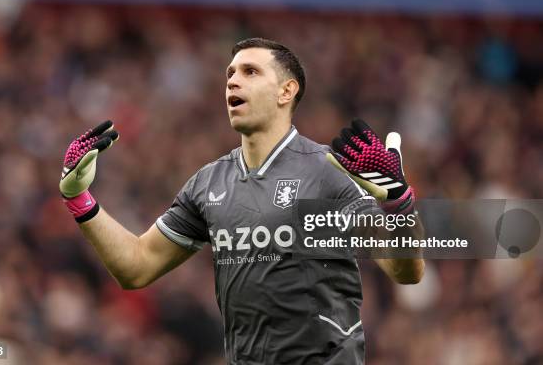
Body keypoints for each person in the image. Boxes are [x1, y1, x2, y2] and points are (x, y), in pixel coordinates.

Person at [59, 38, 425, 364]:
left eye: (250, 71)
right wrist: (79, 199)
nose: (233, 80)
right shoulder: (209, 183)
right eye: (230, 73)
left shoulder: (327, 172)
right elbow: (136, 266)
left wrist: (398, 204)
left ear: (286, 91)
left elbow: (404, 271)